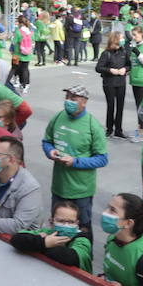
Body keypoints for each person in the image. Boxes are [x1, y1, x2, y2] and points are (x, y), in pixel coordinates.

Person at [40, 85, 109, 243]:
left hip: (81, 191)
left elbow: (102, 158)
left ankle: (83, 259)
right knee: (57, 226)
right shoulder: (57, 118)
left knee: (82, 230)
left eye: (73, 98)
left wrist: (76, 162)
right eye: (67, 98)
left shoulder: (92, 125)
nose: (68, 102)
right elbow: (47, 141)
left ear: (84, 102)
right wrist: (49, 151)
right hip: (59, 187)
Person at [8, 200, 93, 269]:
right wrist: (43, 242)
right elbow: (16, 239)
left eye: (71, 222)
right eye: (61, 221)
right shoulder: (47, 232)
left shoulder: (82, 240)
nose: (66, 225)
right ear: (52, 221)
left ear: (77, 223)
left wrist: (43, 244)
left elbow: (70, 258)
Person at [95, 31, 129, 138]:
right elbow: (98, 68)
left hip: (121, 83)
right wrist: (110, 70)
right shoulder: (106, 53)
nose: (123, 40)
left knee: (120, 107)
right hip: (109, 83)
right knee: (111, 106)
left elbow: (129, 65)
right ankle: (109, 129)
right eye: (121, 38)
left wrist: (125, 69)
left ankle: (118, 130)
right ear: (116, 39)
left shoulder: (124, 52)